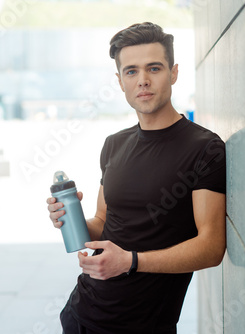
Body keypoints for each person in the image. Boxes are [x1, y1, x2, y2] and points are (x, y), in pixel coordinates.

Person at [46, 22, 226, 334]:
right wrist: (69, 218)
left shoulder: (205, 148)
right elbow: (103, 222)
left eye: (153, 68)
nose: (142, 80)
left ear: (173, 73)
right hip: (80, 314)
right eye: (131, 71)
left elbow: (211, 247)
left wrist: (131, 261)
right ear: (120, 81)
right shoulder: (114, 144)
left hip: (145, 325)